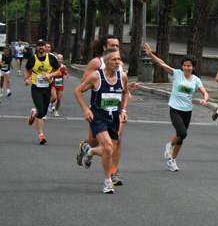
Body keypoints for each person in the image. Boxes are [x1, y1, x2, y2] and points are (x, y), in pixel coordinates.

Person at [75, 36, 138, 185]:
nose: (116, 47)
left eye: (117, 45)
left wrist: (127, 92)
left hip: (115, 111)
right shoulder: (96, 62)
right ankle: (86, 148)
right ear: (104, 48)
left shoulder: (119, 65)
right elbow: (83, 84)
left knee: (115, 142)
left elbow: (119, 86)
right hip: (98, 111)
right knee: (95, 141)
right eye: (112, 45)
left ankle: (112, 173)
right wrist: (87, 106)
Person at [143, 43, 208, 172]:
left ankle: (172, 160)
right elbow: (162, 64)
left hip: (187, 111)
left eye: (189, 66)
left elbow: (204, 92)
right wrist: (151, 55)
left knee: (181, 137)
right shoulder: (177, 74)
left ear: (193, 67)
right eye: (184, 65)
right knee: (182, 132)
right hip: (175, 109)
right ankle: (169, 145)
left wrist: (205, 99)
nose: (186, 68)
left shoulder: (195, 80)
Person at [24, 39, 61, 144]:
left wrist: (50, 75)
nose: (41, 47)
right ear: (36, 48)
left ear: (45, 47)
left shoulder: (51, 59)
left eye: (42, 46)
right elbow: (26, 70)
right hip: (36, 87)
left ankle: (33, 114)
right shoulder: (32, 59)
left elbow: (58, 72)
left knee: (44, 111)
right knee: (40, 110)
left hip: (47, 87)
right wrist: (26, 79)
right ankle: (41, 135)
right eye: (39, 46)